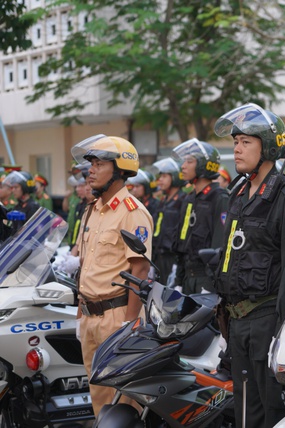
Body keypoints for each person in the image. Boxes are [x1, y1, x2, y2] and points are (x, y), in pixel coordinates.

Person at [213, 103, 285, 428]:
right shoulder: (239, 195)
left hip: (269, 322)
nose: (237, 149)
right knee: (244, 412)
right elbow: (231, 258)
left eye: (246, 142)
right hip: (238, 323)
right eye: (235, 142)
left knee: (272, 412)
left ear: (267, 147)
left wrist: (284, 331)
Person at [71, 134, 153, 416]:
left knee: (121, 405)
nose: (90, 170)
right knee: (99, 398)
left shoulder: (132, 212)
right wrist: (80, 315)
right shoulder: (92, 209)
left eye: (98, 163)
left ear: (119, 170)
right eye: (90, 163)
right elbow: (86, 266)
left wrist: (129, 324)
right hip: (91, 316)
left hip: (117, 317)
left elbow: (139, 270)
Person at [172, 138, 229, 295]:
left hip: (207, 279)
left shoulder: (220, 198)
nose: (183, 166)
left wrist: (213, 285)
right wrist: (178, 281)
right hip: (187, 280)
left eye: (189, 161)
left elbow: (221, 247)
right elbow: (182, 243)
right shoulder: (189, 199)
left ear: (204, 165)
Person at [150, 157, 186, 285]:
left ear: (175, 177)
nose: (160, 180)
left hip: (172, 258)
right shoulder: (163, 201)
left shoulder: (182, 200)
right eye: (160, 176)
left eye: (164, 176)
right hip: (159, 256)